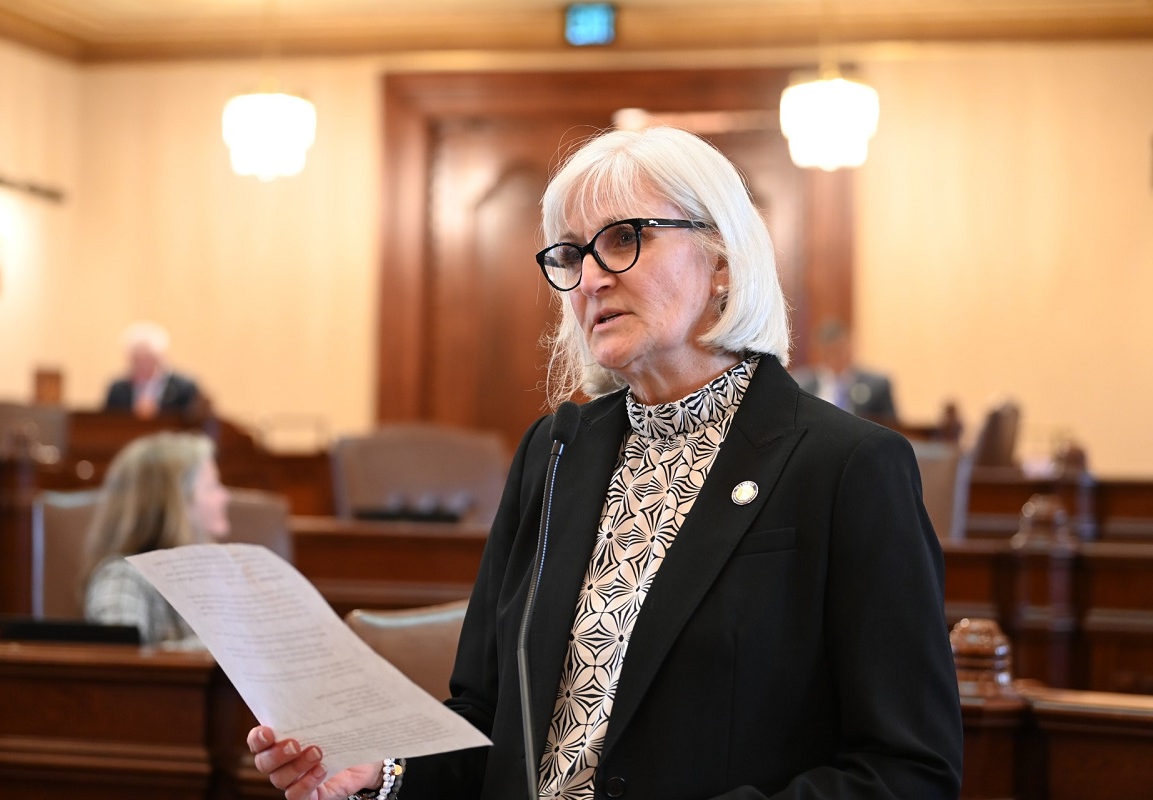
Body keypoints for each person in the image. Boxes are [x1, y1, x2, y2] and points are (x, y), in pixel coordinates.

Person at [248, 126, 962, 799]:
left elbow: (909, 769)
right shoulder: (555, 452)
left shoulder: (847, 468)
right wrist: (381, 774)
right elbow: (490, 717)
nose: (589, 279)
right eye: (570, 254)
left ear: (721, 261)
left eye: (624, 239)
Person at [82, 431, 229, 647]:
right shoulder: (123, 576)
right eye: (211, 487)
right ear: (177, 503)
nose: (225, 496)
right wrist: (234, 651)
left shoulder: (220, 571)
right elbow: (121, 661)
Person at [792, 318, 897, 421]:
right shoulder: (801, 385)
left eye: (841, 349)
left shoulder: (877, 386)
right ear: (820, 352)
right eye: (830, 351)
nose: (837, 356)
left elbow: (890, 427)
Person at [103, 321, 204, 419]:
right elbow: (107, 421)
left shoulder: (183, 387)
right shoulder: (118, 389)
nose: (142, 364)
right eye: (137, 359)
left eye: (147, 358)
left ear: (159, 358)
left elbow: (192, 420)